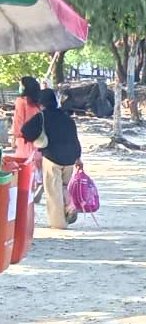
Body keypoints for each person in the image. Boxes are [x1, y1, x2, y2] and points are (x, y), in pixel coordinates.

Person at [21, 89, 82, 230]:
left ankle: (58, 224)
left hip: (52, 157)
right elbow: (75, 139)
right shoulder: (67, 118)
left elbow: (25, 131)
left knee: (53, 192)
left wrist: (36, 139)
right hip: (70, 158)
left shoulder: (42, 117)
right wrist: (78, 158)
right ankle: (70, 205)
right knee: (64, 186)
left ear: (41, 103)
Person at [11, 76, 41, 160]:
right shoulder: (39, 102)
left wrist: (14, 138)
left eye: (21, 85)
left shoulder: (21, 101)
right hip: (40, 141)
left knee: (25, 166)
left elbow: (18, 121)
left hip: (24, 141)